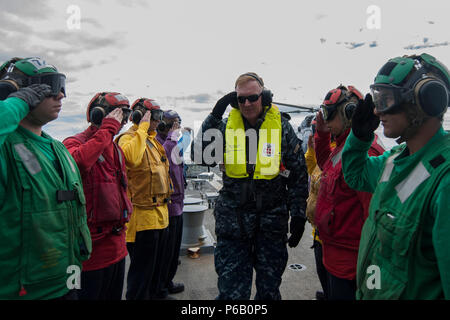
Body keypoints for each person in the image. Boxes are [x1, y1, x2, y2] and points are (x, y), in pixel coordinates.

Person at [341, 53, 450, 299]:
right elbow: (356, 176)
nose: (378, 112)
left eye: (387, 99)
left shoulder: (445, 180)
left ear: (424, 101)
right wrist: (358, 138)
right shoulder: (396, 158)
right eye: (378, 99)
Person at [192, 72, 309, 300]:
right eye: (241, 99)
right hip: (233, 225)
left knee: (269, 291)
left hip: (270, 225)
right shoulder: (224, 127)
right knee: (231, 294)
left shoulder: (282, 128)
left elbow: (298, 174)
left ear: (264, 97)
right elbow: (200, 156)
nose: (246, 104)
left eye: (252, 97)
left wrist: (298, 215)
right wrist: (214, 115)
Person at [0, 57, 91, 300]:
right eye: (50, 86)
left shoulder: (58, 149)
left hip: (69, 282)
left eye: (62, 86)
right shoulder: (6, 147)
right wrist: (11, 101)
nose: (60, 95)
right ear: (17, 90)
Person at [313, 85, 385, 300]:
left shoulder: (367, 153)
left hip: (352, 267)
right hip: (334, 257)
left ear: (349, 113)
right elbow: (327, 164)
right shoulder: (343, 146)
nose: (325, 120)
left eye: (329, 115)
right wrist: (322, 134)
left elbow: (373, 217)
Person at [62, 92, 133, 300]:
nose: (122, 122)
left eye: (125, 116)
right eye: (118, 115)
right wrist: (106, 130)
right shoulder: (73, 142)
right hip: (85, 255)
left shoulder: (116, 149)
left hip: (116, 248)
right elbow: (79, 163)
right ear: (97, 115)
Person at [116, 98, 173, 300]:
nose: (158, 121)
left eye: (159, 117)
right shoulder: (128, 138)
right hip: (142, 220)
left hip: (160, 216)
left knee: (158, 269)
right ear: (141, 116)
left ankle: (158, 295)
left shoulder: (153, 141)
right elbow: (130, 158)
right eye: (155, 117)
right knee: (142, 274)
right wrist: (141, 128)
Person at [155, 110, 192, 297]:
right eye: (171, 124)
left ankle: (167, 282)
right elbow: (167, 158)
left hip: (177, 204)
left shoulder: (173, 143)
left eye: (176, 124)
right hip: (166, 207)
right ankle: (160, 289)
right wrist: (173, 136)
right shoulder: (159, 143)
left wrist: (184, 135)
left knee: (172, 252)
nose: (173, 128)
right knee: (164, 253)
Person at [304, 120, 335, 300]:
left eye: (320, 128)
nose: (316, 132)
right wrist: (311, 150)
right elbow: (312, 171)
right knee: (323, 276)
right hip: (318, 233)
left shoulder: (334, 153)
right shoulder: (320, 152)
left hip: (331, 237)